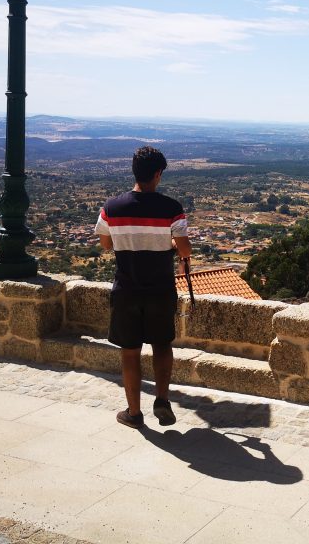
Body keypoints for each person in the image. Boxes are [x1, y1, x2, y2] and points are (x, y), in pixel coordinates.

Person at [95, 146, 191, 428]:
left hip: (126, 290)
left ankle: (134, 413)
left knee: (130, 351)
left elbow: (107, 243)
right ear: (158, 174)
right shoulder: (172, 208)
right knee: (162, 345)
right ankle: (161, 398)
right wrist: (170, 244)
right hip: (160, 290)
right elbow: (184, 248)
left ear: (134, 171)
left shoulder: (111, 208)